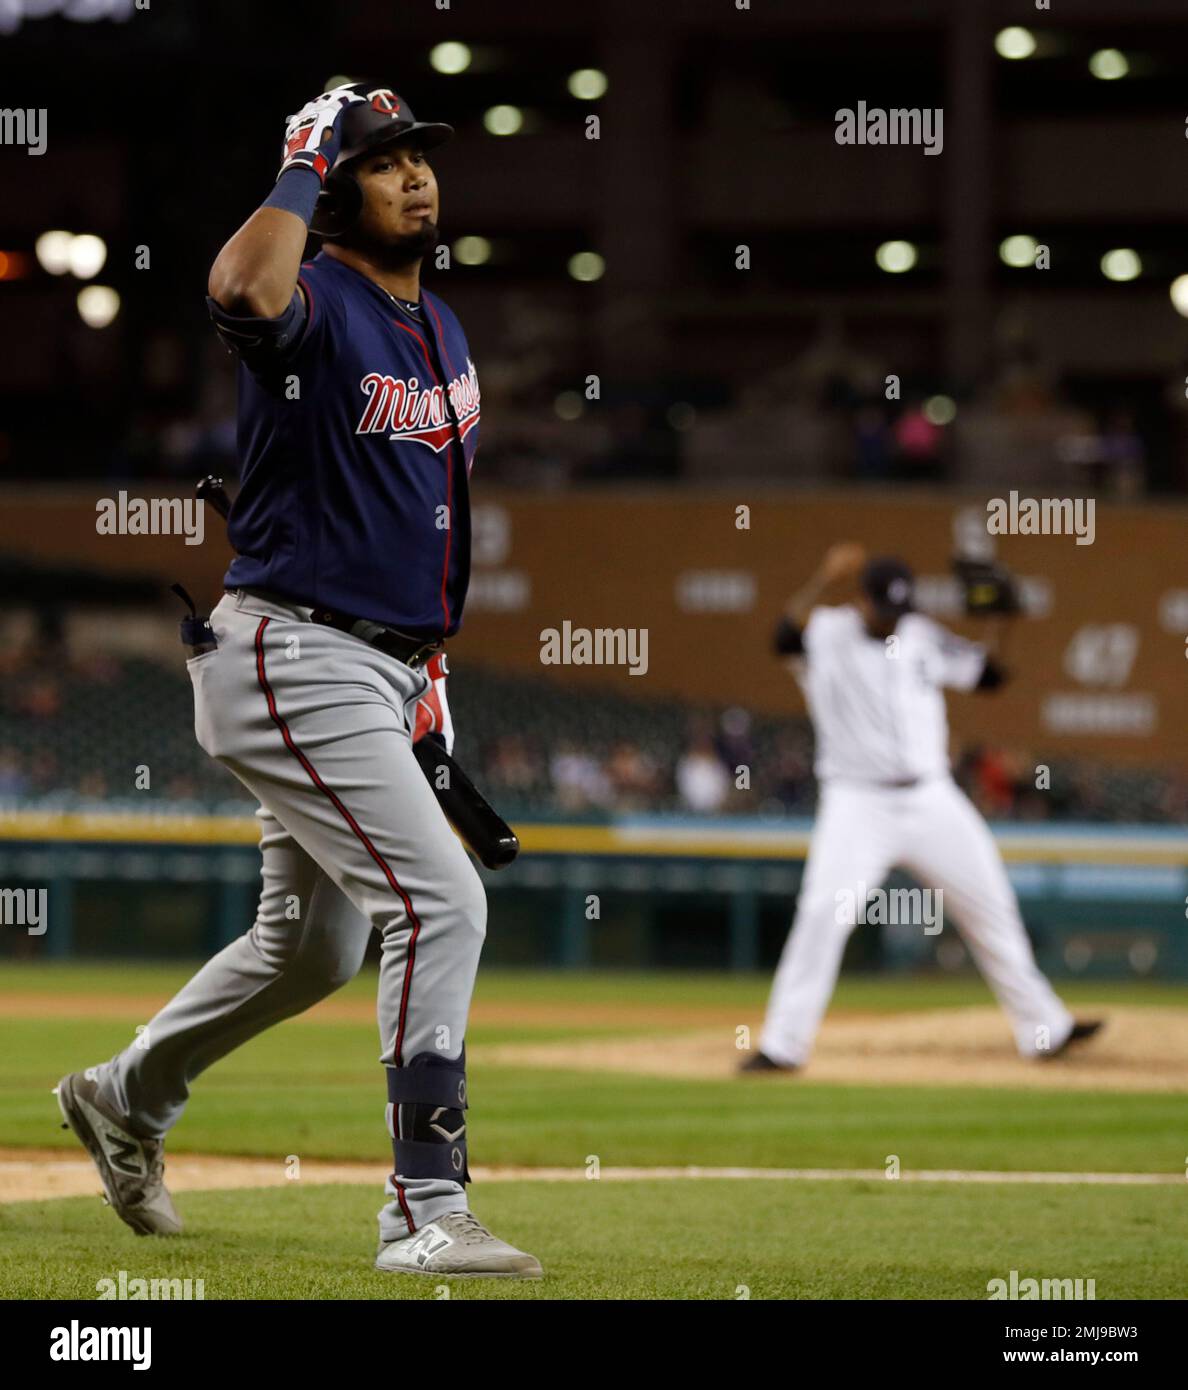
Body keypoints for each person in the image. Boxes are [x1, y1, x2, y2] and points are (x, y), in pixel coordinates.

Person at [55, 83, 541, 1278]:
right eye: (383, 165)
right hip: (295, 653)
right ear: (335, 190)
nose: (417, 177)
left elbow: (415, 516)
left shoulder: (440, 322)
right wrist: (296, 165)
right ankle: (425, 1205)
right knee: (440, 906)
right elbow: (239, 292)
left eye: (422, 157)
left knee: (312, 948)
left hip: (384, 668)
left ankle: (123, 1096)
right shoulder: (311, 293)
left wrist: (424, 671)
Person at [743, 542, 1102, 1074]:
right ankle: (783, 1045)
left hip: (931, 797)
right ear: (861, 601)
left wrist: (1005, 619)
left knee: (991, 905)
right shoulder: (826, 629)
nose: (890, 621)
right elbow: (780, 637)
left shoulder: (919, 635)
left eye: (898, 611)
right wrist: (822, 576)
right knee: (823, 913)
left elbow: (990, 676)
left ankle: (1044, 1028)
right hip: (855, 800)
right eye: (881, 609)